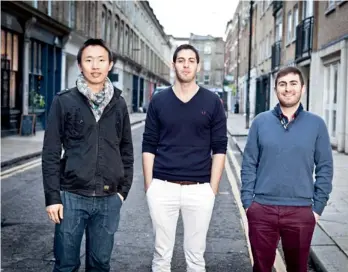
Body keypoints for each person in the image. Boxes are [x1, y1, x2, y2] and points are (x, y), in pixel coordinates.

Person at [42, 38, 134, 272]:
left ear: (110, 65)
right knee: (66, 265)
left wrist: (122, 192)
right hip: (71, 197)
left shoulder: (119, 104)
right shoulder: (64, 101)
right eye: (89, 60)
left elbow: (126, 150)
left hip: (108, 198)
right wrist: (53, 197)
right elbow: (51, 152)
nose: (95, 66)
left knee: (100, 264)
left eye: (101, 60)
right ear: (81, 65)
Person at [142, 44, 227, 272]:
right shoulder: (159, 101)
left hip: (199, 190)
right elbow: (148, 144)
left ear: (198, 66)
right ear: (174, 64)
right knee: (161, 255)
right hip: (162, 187)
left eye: (191, 60)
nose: (186, 64)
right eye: (181, 60)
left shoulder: (212, 102)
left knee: (196, 257)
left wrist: (213, 188)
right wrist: (150, 186)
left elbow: (220, 148)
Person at [241, 66, 333, 272]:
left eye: (293, 83)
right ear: (276, 90)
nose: (288, 89)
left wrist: (317, 208)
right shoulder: (260, 122)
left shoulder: (316, 124)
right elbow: (248, 164)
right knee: (261, 268)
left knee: (298, 268)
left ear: (302, 88)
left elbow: (325, 167)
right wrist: (249, 203)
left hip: (300, 211)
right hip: (262, 209)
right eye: (282, 84)